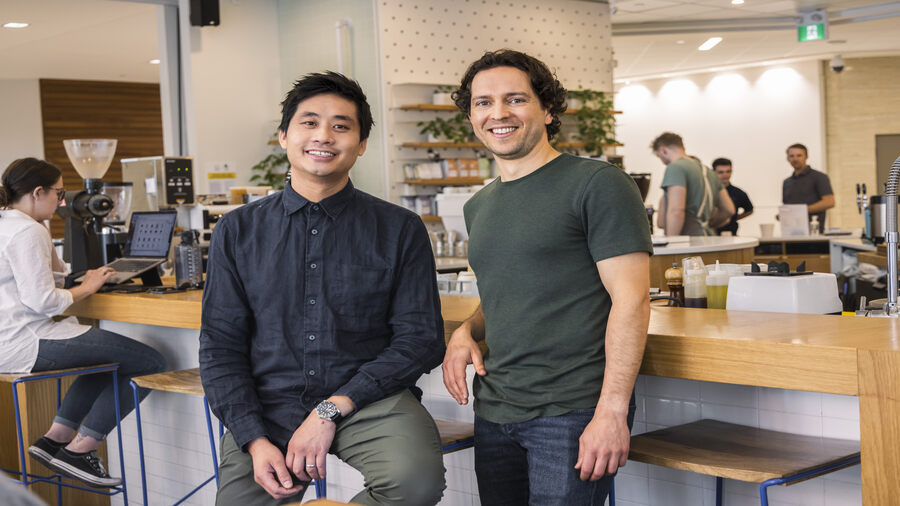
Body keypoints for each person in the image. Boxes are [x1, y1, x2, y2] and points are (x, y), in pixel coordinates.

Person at [199, 72, 446, 506]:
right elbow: (221, 345)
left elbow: (420, 339)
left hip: (368, 398)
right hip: (268, 404)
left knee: (414, 484)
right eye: (309, 122)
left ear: (362, 143)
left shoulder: (399, 228)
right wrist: (253, 440)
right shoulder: (237, 230)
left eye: (341, 126)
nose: (324, 136)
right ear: (284, 136)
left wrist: (332, 408)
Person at [441, 49, 652, 505]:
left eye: (515, 99)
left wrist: (612, 411)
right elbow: (510, 290)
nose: (498, 113)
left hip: (572, 409)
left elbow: (632, 301)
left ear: (548, 109)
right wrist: (467, 330)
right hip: (495, 406)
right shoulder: (479, 205)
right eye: (483, 102)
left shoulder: (597, 183)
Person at [0, 157, 166, 488]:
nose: (62, 202)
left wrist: (77, 278)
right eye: (59, 194)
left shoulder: (9, 223)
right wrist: (86, 288)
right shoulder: (27, 230)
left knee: (106, 362)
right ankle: (80, 450)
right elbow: (41, 300)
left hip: (10, 341)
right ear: (37, 192)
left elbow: (30, 282)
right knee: (152, 362)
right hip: (27, 341)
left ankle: (53, 440)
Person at [652, 133, 734, 236]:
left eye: (659, 156)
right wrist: (709, 223)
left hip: (688, 241)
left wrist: (671, 242)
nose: (663, 162)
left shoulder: (675, 167)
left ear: (663, 150)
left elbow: (676, 211)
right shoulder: (709, 172)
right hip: (709, 237)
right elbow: (729, 209)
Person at [782, 143, 834, 232]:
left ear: (806, 157)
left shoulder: (819, 177)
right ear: (787, 159)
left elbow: (829, 202)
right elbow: (787, 206)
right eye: (791, 156)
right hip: (791, 233)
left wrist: (801, 211)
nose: (795, 159)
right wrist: (783, 214)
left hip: (814, 233)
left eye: (799, 155)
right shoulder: (787, 182)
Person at [712, 157, 754, 235]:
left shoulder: (738, 192)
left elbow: (749, 210)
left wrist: (734, 218)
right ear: (713, 172)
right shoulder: (709, 191)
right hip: (712, 233)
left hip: (731, 232)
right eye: (721, 172)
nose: (725, 175)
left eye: (728, 171)